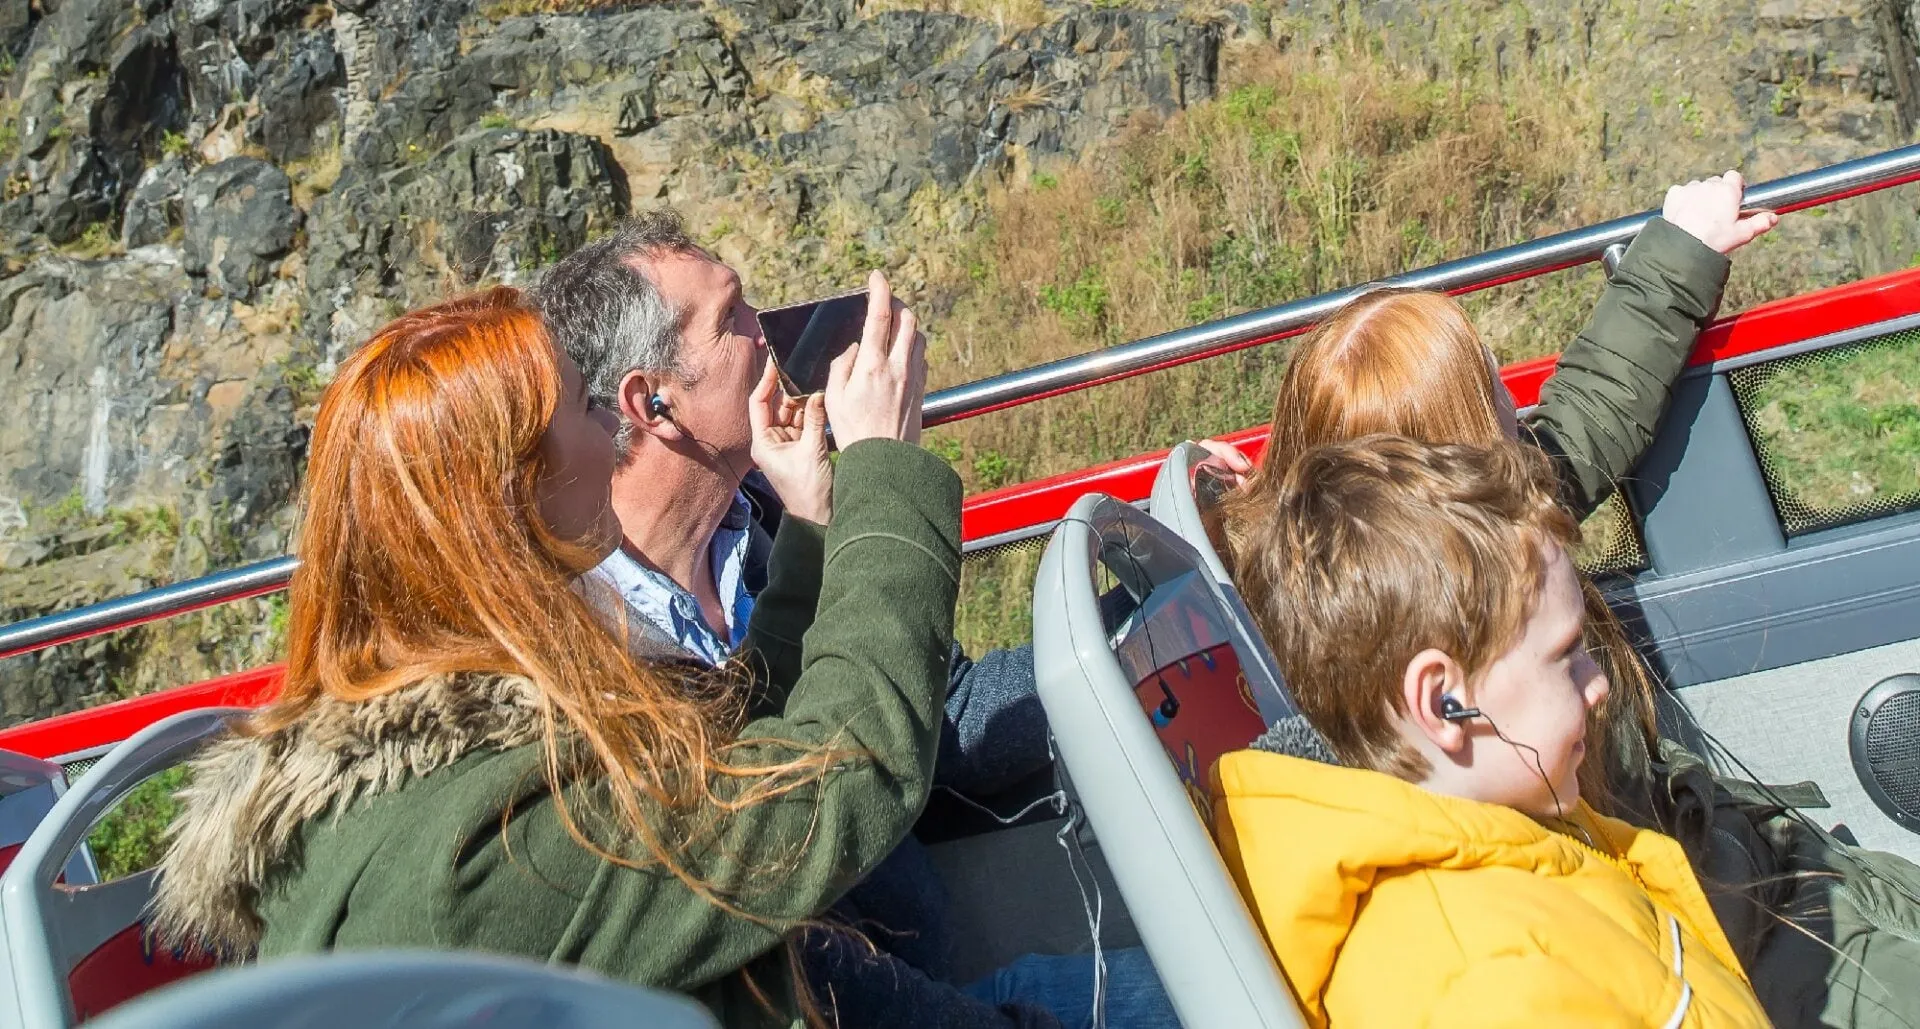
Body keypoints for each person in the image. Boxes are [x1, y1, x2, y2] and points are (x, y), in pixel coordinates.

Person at [1206, 172, 1920, 1028]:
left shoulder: (1451, 566)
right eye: (1499, 402)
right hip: (1726, 924)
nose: (1524, 410)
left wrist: (1677, 253)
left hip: (1735, 865)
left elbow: (1587, 415)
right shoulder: (1484, 933)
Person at [150, 286, 963, 1028]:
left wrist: (816, 528)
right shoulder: (481, 848)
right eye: (584, 405)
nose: (615, 429)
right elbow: (836, 784)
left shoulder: (464, 748)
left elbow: (731, 768)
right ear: (511, 492)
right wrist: (884, 469)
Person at [528, 215, 1145, 1029]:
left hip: (943, 972)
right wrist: (885, 469)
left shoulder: (765, 520)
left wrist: (1136, 628)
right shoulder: (589, 664)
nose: (769, 336)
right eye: (736, 318)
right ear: (655, 402)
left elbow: (946, 710)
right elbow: (776, 911)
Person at [1217, 434, 1771, 1028]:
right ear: (1445, 702)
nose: (1598, 683)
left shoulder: (1522, 818)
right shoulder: (1493, 986)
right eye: (1566, 654)